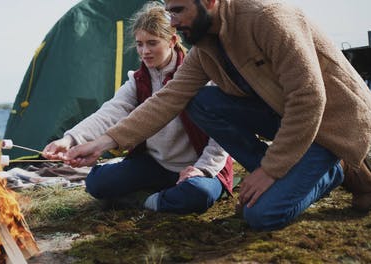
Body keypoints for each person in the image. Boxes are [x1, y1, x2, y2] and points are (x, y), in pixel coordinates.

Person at [64, 0, 371, 231]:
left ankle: (336, 167)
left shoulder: (268, 18)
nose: (171, 22)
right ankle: (286, 175)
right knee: (200, 101)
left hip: (334, 121)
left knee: (261, 216)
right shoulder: (206, 47)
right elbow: (168, 99)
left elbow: (310, 98)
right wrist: (103, 141)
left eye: (177, 10)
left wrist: (271, 169)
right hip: (288, 117)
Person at [43, 2, 234, 214]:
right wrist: (69, 139)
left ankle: (149, 201)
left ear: (172, 40)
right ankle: (161, 196)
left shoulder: (198, 74)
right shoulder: (138, 81)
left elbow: (224, 135)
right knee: (97, 183)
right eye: (140, 44)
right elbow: (110, 112)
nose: (145, 51)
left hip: (199, 165)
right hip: (156, 165)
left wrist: (203, 168)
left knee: (199, 194)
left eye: (152, 43)